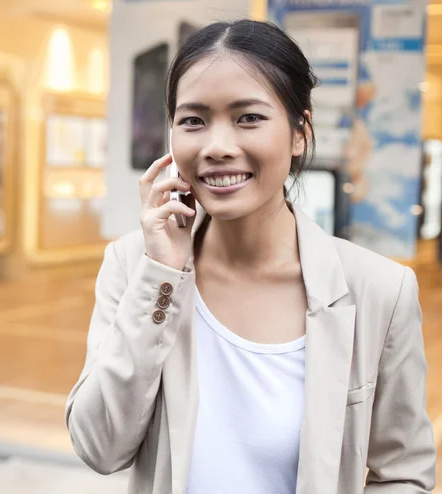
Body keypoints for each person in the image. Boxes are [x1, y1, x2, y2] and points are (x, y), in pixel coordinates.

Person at [66, 19, 436, 494]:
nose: (218, 146)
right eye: (193, 120)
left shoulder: (378, 290)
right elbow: (99, 447)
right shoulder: (136, 265)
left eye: (249, 118)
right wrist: (162, 276)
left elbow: (404, 473)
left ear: (300, 132)